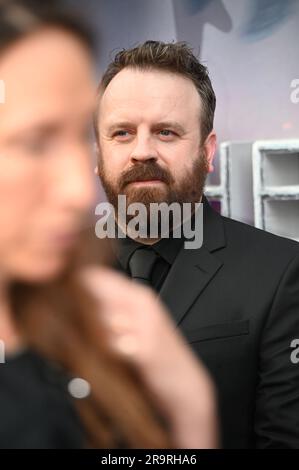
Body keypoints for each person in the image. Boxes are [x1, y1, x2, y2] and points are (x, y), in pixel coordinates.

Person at [0, 2, 218, 449]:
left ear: (207, 150)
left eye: (75, 136)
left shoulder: (63, 302)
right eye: (36, 142)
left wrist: (193, 409)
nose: (79, 190)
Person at [95, 40, 299, 449]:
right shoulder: (48, 277)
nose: (142, 151)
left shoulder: (281, 273)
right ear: (98, 153)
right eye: (122, 133)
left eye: (165, 132)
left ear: (207, 152)